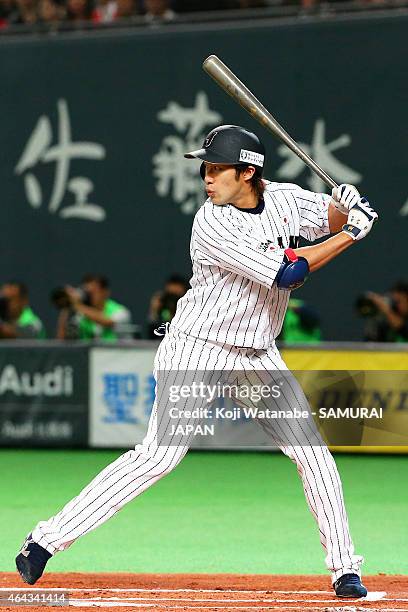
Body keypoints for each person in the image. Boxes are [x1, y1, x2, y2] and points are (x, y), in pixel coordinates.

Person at [15, 125, 378, 598]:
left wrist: (346, 206)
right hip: (197, 347)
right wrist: (352, 232)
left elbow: (327, 219)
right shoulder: (212, 221)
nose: (207, 178)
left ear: (248, 172)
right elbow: (289, 273)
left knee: (314, 454)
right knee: (160, 456)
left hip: (256, 353)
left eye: (217, 169)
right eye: (205, 168)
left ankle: (345, 568)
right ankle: (45, 540)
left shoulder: (286, 199)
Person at [56, 274, 132, 341]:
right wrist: (67, 305)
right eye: (87, 292)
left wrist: (78, 306)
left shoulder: (120, 311)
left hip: (117, 355)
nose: (89, 296)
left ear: (105, 292)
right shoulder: (80, 316)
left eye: (93, 292)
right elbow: (62, 340)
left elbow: (107, 322)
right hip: (89, 356)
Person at [147, 274, 189, 338]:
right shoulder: (164, 310)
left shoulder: (190, 307)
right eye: (170, 296)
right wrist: (154, 312)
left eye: (176, 297)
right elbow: (153, 337)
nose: (173, 301)